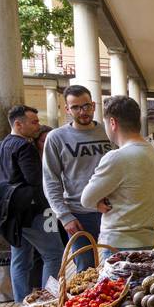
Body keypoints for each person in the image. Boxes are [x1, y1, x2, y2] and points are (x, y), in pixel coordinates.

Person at [0, 105, 63, 303]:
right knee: (53, 254)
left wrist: (5, 185)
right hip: (32, 212)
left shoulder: (1, 145)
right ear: (18, 124)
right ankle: (47, 302)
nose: (38, 125)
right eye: (34, 122)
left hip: (10, 214)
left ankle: (20, 304)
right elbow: (35, 181)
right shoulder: (24, 146)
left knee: (20, 259)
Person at [80, 95, 154, 254]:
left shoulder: (117, 157)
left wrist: (98, 201)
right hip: (148, 242)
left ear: (112, 123)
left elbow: (86, 199)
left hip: (118, 245)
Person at [42, 85, 112, 268]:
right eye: (76, 107)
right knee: (85, 269)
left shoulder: (110, 131)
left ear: (94, 105)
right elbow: (51, 179)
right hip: (79, 214)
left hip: (112, 210)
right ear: (67, 109)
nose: (83, 111)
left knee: (116, 266)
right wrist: (64, 216)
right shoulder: (56, 137)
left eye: (87, 106)